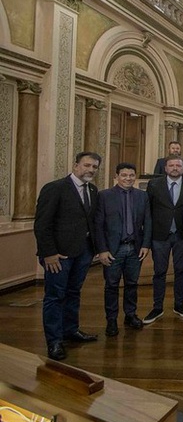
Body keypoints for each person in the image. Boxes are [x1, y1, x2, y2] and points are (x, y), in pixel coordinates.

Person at [34, 152, 102, 360]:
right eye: (87, 165)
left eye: (94, 167)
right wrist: (49, 254)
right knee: (55, 296)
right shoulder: (55, 188)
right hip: (58, 256)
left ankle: (70, 330)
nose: (91, 170)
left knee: (74, 293)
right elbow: (42, 224)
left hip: (83, 252)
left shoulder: (92, 190)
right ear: (76, 165)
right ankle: (54, 341)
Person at [94, 162, 151, 337]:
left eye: (131, 175)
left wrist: (145, 245)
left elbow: (148, 221)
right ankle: (111, 320)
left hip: (135, 248)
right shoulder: (104, 196)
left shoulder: (142, 196)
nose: (128, 178)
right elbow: (98, 225)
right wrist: (102, 250)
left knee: (132, 284)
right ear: (116, 176)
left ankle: (130, 315)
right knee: (111, 285)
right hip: (113, 250)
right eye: (124, 175)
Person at [144, 155, 183, 324]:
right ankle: (157, 307)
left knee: (180, 271)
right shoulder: (154, 184)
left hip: (182, 235)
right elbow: (148, 211)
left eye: (178, 165)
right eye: (171, 165)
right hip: (160, 235)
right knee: (159, 272)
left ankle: (179, 305)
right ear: (165, 168)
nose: (175, 168)